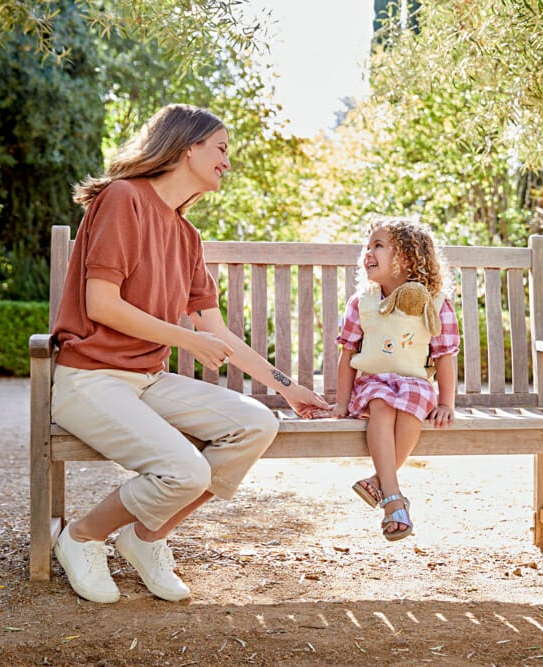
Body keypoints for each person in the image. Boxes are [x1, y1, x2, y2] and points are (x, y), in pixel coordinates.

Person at [49, 104, 329, 604]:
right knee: (187, 471)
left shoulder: (187, 235)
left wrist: (288, 388)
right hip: (90, 378)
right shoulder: (122, 198)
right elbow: (101, 304)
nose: (227, 161)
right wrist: (184, 339)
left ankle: (145, 539)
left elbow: (215, 331)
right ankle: (81, 538)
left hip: (146, 381)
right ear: (187, 147)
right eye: (221, 148)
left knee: (256, 423)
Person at [330, 217, 459, 541]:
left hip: (414, 383)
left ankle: (380, 484)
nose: (368, 252)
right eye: (367, 245)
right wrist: (342, 402)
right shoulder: (363, 303)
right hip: (373, 383)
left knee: (412, 402)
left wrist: (445, 403)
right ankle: (393, 498)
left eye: (379, 246)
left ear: (407, 258)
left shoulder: (435, 303)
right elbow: (348, 354)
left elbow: (444, 356)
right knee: (381, 405)